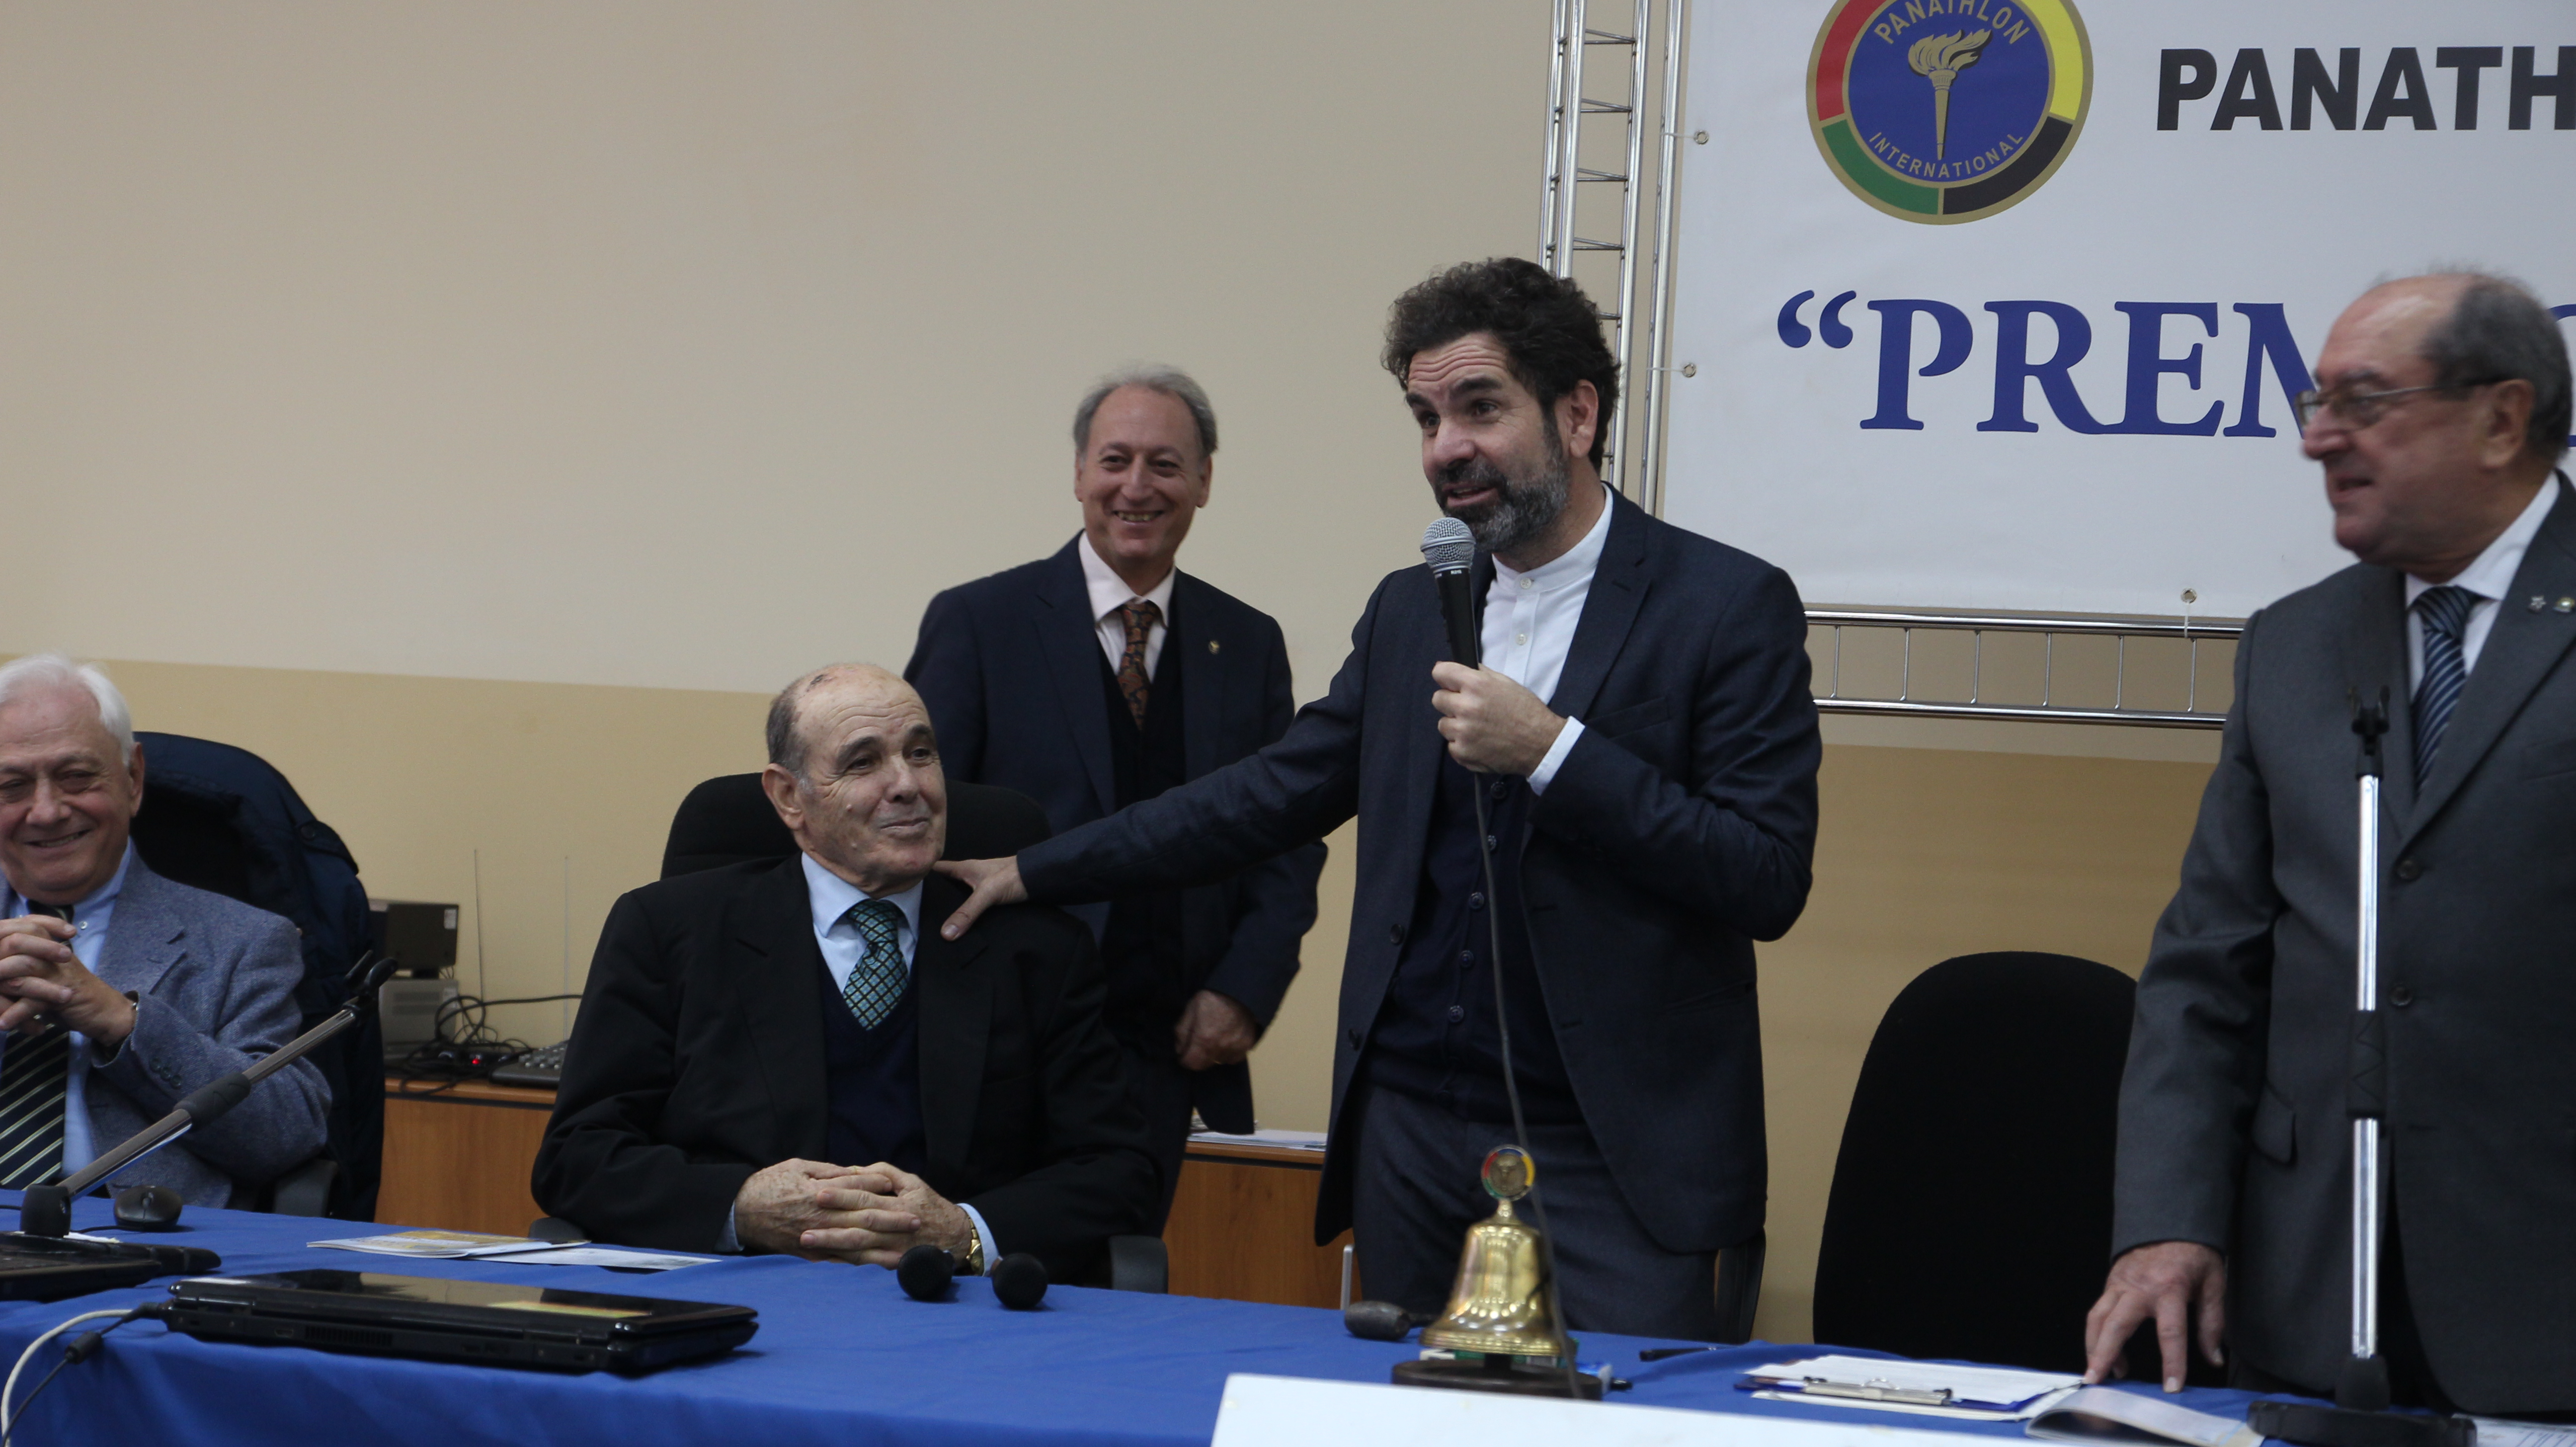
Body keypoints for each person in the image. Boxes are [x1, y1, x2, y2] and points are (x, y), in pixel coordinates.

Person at [935, 259, 1821, 1339]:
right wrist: (1034, 869)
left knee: (1615, 1410)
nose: (1445, 447)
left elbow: (1764, 875)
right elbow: (1264, 795)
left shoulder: (1724, 604)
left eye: (1479, 407)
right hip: (1410, 1132)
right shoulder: (1413, 608)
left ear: (1578, 414)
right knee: (1390, 1405)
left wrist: (1552, 750)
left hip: (1612, 1146)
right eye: (1425, 417)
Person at [2087, 272, 2576, 1415]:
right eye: (2316, 404)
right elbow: (2205, 966)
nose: (2317, 440)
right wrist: (2167, 1222)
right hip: (2310, 1300)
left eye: (2364, 401)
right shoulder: (2293, 645)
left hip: (2546, 1293)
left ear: (2500, 418)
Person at [533, 664, 1158, 1283]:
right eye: (864, 762)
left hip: (958, 1304)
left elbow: (1118, 1168)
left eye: (921, 753)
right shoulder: (668, 930)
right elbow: (578, 1155)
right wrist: (740, 1206)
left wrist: (966, 1231)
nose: (908, 784)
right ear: (789, 796)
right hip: (740, 1299)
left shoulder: (1037, 949)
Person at [905, 366, 1324, 1225]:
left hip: (1163, 1049)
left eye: (1165, 464)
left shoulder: (1247, 643)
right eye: (1115, 460)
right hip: (998, 1037)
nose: (1137, 487)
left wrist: (1245, 989)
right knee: (976, 1254)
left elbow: (1286, 837)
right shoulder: (979, 623)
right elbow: (917, 818)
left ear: (1203, 481)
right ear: (1078, 474)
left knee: (1122, 1267)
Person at [0, 653, 328, 1205]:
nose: (47, 811)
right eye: (12, 786)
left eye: (76, 777)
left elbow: (285, 1137)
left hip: (131, 1234)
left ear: (133, 778)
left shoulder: (243, 941)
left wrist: (122, 1022)